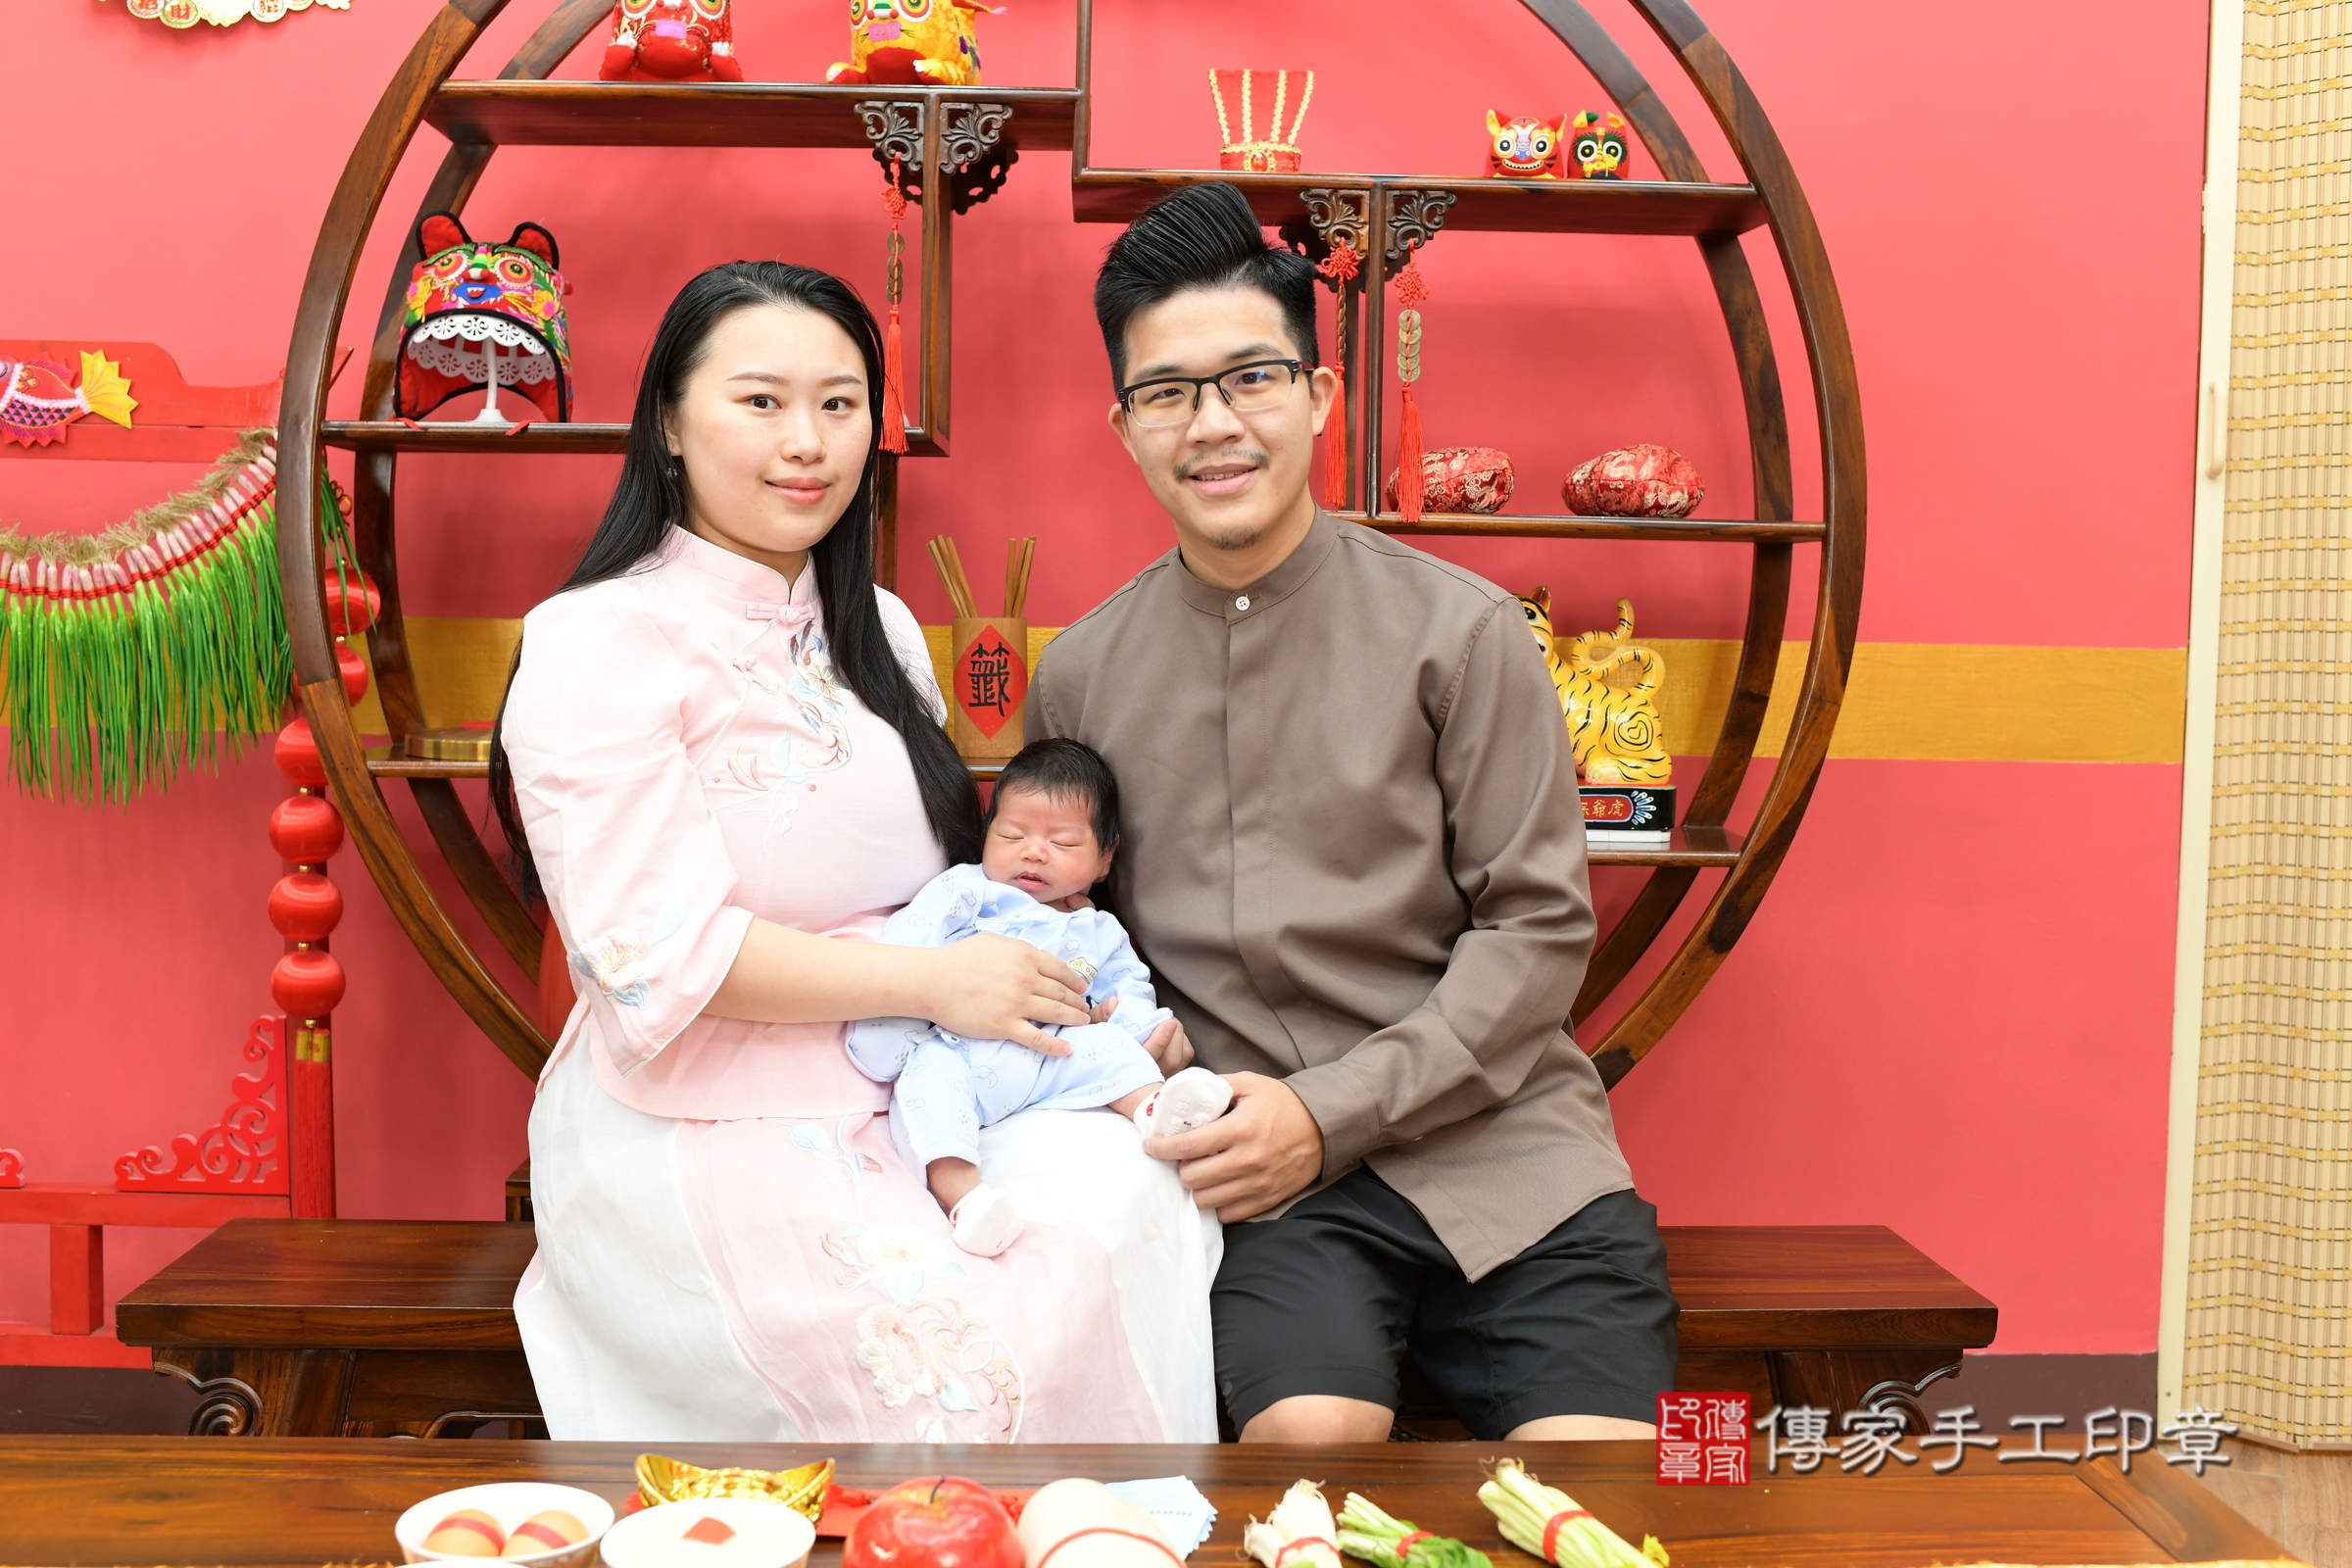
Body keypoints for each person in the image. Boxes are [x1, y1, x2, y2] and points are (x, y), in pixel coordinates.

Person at [493, 260, 1219, 1444]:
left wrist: (1088, 1015)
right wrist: (932, 982)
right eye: (761, 401)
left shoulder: (876, 626)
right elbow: (653, 955)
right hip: (703, 1118)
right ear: (668, 420)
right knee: (947, 1380)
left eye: (839, 404)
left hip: (921, 1085)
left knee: (1132, 1205)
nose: (808, 443)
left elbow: (956, 895)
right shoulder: (595, 640)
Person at [1028, 183, 1679, 1443]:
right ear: (1125, 427)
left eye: (1251, 379)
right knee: (1308, 1452)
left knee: (1607, 1477)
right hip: (1269, 1186)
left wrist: (1329, 1111)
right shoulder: (1083, 675)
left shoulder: (1466, 631)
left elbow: (1538, 934)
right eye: (1167, 393)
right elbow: (1073, 941)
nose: (1213, 424)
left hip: (1510, 1148)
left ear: (1319, 397)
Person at [847, 738, 1236, 1256]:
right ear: (986, 835)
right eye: (1012, 834)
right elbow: (910, 943)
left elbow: (1130, 987)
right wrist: (885, 1035)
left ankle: (1155, 1108)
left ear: (1105, 858)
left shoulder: (1099, 929)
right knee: (927, 1092)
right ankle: (966, 1200)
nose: (1033, 851)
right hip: (959, 1049)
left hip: (1055, 1052)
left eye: (1064, 843)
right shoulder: (967, 891)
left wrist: (1131, 1028)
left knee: (1107, 1048)